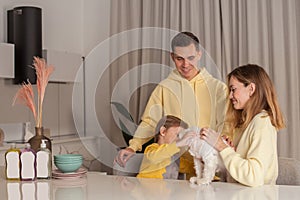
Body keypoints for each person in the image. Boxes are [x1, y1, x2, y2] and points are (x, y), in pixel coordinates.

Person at [115, 31, 228, 178]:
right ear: (172, 57)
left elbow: (227, 126)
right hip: (175, 168)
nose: (186, 64)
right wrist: (133, 147)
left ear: (199, 55)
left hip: (209, 168)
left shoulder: (218, 89)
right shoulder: (164, 88)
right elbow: (150, 122)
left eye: (191, 58)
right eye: (179, 59)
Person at [200, 64, 285, 187]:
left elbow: (254, 177)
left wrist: (222, 147)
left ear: (251, 89)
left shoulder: (262, 121)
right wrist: (219, 154)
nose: (230, 96)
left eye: (233, 89)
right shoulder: (244, 124)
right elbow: (236, 174)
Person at [137, 115, 195, 179]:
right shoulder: (152, 149)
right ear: (163, 131)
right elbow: (155, 157)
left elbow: (190, 167)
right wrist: (179, 143)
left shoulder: (174, 156)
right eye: (178, 135)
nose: (180, 139)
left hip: (163, 188)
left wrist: (201, 161)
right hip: (144, 187)